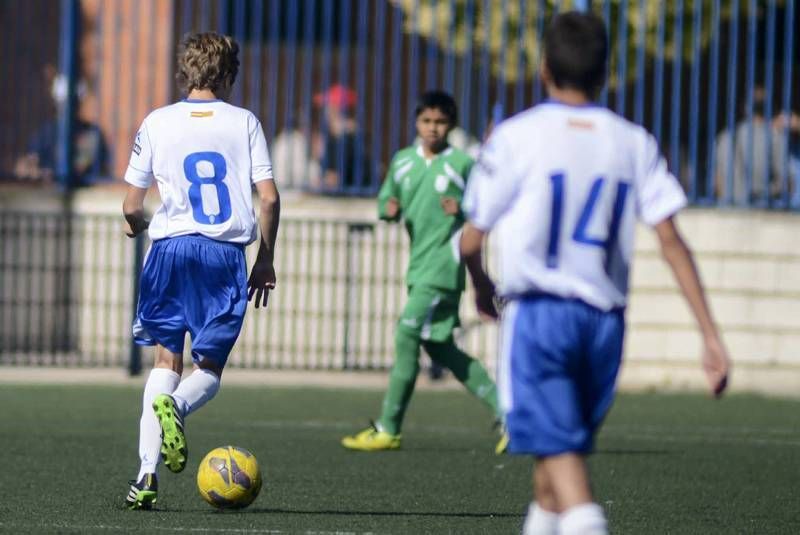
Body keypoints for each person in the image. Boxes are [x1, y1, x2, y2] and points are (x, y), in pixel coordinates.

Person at [459, 12, 730, 535]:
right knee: (551, 469)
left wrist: (481, 283)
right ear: (606, 72)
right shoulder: (633, 142)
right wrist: (709, 335)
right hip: (605, 324)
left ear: (543, 68)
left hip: (540, 318)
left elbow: (472, 238)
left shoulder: (517, 137)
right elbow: (671, 239)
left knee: (566, 469)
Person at [121, 32, 280, 510]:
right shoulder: (244, 122)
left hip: (169, 251)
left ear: (183, 72)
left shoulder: (156, 121)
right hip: (222, 256)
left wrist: (139, 225)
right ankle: (180, 406)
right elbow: (268, 197)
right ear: (229, 74)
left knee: (164, 363)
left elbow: (131, 204)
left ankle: (146, 476)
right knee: (207, 367)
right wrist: (265, 258)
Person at [341, 90, 507, 453]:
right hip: (418, 269)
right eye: (427, 121)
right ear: (417, 123)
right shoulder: (403, 161)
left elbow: (485, 209)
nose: (433, 128)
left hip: (443, 270)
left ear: (451, 126)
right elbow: (387, 201)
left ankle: (388, 427)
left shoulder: (462, 164)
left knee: (406, 335)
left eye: (441, 122)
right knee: (441, 348)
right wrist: (389, 207)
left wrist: (462, 208)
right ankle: (510, 413)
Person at [14, 63, 108, 185]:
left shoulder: (91, 133)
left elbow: (79, 168)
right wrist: (30, 168)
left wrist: (48, 173)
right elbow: (24, 166)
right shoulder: (46, 132)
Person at [311, 84, 374, 193]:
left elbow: (334, 178)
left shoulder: (347, 138)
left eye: (327, 106)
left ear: (335, 108)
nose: (324, 111)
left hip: (348, 196)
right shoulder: (336, 135)